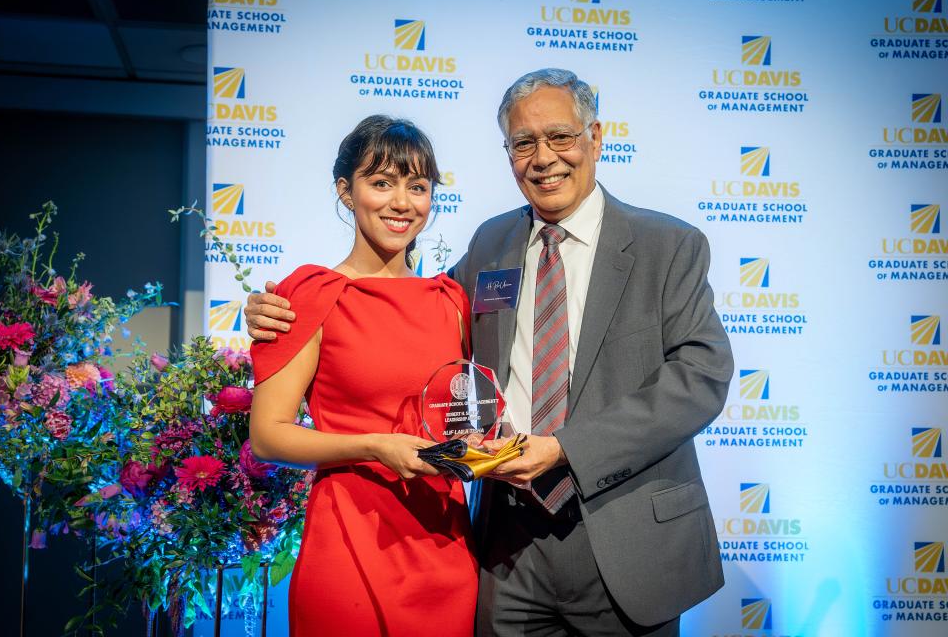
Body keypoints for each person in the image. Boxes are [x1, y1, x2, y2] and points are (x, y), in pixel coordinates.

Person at [246, 69, 733, 636]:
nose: (543, 157)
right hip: (504, 549)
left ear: (595, 138)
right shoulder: (490, 245)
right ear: (508, 154)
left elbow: (702, 376)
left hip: (623, 541)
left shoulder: (667, 246)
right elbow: (395, 315)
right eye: (524, 143)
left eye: (560, 137)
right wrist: (271, 308)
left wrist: (564, 449)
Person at [247, 115, 478, 636]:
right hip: (351, 539)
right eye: (382, 183)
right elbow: (267, 435)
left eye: (418, 187)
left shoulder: (451, 300)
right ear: (346, 192)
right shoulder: (311, 293)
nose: (402, 202)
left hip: (444, 545)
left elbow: (463, 412)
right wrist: (376, 446)